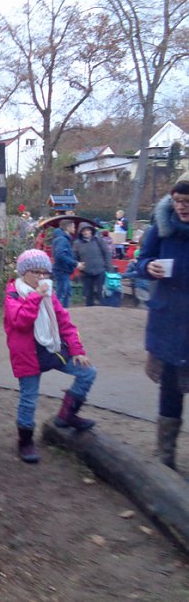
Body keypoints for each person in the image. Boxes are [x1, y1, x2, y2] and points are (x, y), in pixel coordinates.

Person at [4, 249, 97, 464]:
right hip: (27, 354)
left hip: (52, 349)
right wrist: (36, 296)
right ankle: (25, 441)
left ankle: (67, 414)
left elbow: (65, 322)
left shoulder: (49, 295)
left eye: (45, 273)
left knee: (88, 372)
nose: (41, 277)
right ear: (24, 272)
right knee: (29, 399)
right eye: (36, 272)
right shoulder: (13, 295)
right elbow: (20, 321)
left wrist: (77, 350)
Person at [138, 175, 189, 470]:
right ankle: (165, 456)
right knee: (169, 388)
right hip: (168, 320)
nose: (182, 207)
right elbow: (142, 260)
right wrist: (149, 266)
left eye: (188, 203)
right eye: (178, 201)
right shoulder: (162, 226)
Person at [73, 224, 113, 306]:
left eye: (87, 230)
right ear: (81, 232)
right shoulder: (77, 243)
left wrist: (109, 268)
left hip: (100, 270)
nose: (86, 232)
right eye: (83, 231)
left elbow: (107, 253)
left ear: (91, 231)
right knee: (88, 294)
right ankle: (90, 311)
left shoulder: (98, 240)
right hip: (86, 272)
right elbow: (74, 257)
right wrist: (79, 265)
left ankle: (104, 310)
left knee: (101, 292)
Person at [51, 219, 81, 308]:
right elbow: (60, 256)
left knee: (65, 293)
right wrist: (75, 263)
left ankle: (61, 312)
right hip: (62, 270)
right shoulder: (62, 240)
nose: (75, 228)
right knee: (63, 294)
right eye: (73, 226)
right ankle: (61, 313)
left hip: (62, 270)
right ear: (68, 228)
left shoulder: (62, 239)